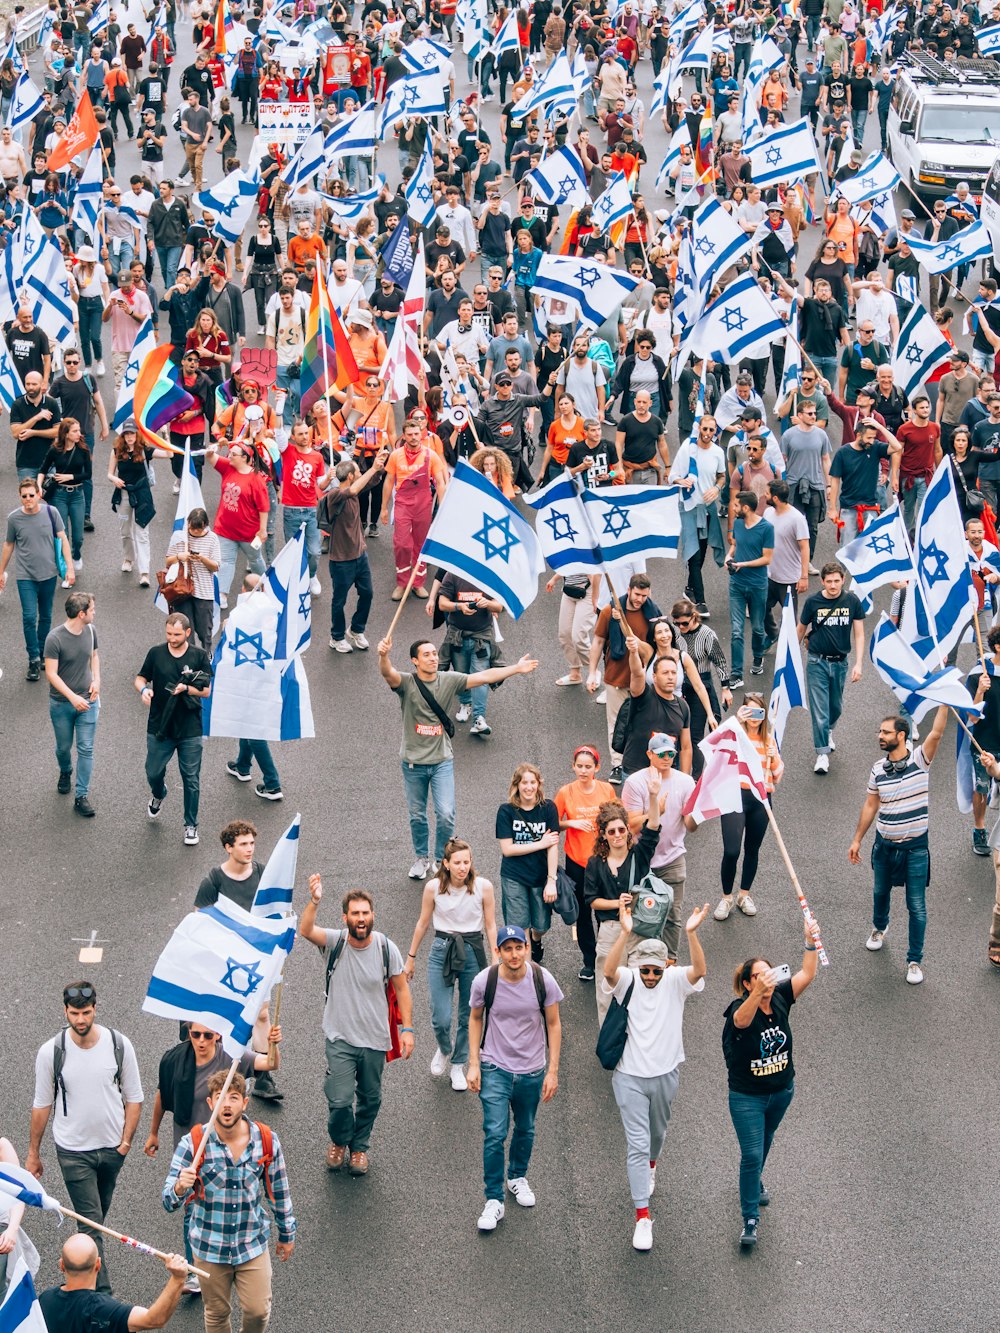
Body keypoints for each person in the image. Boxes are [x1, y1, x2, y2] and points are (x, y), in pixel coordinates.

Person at [377, 633, 539, 880]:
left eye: (434, 653)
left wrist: (515, 669)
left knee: (446, 813)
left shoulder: (448, 679)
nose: (433, 658)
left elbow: (483, 676)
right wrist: (384, 655)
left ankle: (443, 859)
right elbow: (388, 673)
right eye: (426, 655)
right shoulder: (407, 683)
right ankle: (421, 858)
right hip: (413, 763)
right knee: (417, 815)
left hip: (441, 760)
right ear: (414, 661)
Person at [604, 896, 709, 1251]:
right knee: (636, 1143)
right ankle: (643, 1218)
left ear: (666, 965)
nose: (650, 976)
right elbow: (608, 971)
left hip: (665, 1073)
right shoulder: (628, 979)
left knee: (657, 1135)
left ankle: (652, 1165)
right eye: (645, 970)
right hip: (628, 1076)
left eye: (656, 970)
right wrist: (625, 932)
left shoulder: (676, 980)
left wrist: (692, 934)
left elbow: (699, 972)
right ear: (637, 966)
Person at [27, 981, 144, 1294]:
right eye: (75, 1013)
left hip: (112, 1151)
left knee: (96, 1222)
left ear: (96, 1009)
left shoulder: (119, 1045)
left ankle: (77, 1273)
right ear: (65, 1010)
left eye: (86, 1012)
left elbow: (135, 1097)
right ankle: (101, 1299)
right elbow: (42, 1105)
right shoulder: (51, 1052)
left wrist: (125, 1143)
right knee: (91, 1224)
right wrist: (33, 1153)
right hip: (73, 1152)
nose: (81, 1020)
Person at [163, 1071, 294, 1329]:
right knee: (216, 1314)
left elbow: (278, 1190)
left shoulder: (266, 1141)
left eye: (233, 1097)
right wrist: (180, 1186)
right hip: (209, 1247)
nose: (226, 1104)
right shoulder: (193, 1144)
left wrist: (287, 1233)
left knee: (258, 1311)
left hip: (251, 1243)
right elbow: (168, 1200)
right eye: (220, 1097)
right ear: (210, 1104)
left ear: (245, 1103)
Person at [723, 911, 823, 1249]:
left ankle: (753, 1182)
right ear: (749, 983)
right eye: (759, 976)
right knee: (751, 1154)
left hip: (781, 1091)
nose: (767, 979)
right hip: (747, 1097)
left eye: (769, 973)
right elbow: (740, 1021)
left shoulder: (781, 997)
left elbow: (807, 972)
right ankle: (750, 1218)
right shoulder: (741, 1007)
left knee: (765, 1141)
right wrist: (757, 995)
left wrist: (810, 940)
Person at [299, 883, 413, 1177]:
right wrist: (314, 901)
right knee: (339, 1101)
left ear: (373, 915)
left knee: (370, 1097)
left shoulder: (386, 948)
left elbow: (401, 987)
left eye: (365, 913)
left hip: (375, 1039)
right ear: (344, 918)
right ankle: (339, 1142)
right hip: (340, 1037)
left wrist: (408, 1029)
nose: (360, 918)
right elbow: (306, 930)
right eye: (354, 913)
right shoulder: (335, 942)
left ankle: (359, 1147)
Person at [466, 924, 563, 1233]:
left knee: (526, 1128)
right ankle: (493, 1199)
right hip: (495, 1066)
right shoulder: (485, 981)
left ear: (526, 948)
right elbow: (475, 1018)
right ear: (498, 952)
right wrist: (473, 1064)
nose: (513, 954)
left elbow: (554, 1024)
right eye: (507, 948)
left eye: (518, 947)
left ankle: (517, 1176)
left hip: (532, 1070)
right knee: (495, 1133)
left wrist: (553, 1070)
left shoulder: (541, 980)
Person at [848, 707, 949, 986]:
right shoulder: (878, 769)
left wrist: (943, 704)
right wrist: (858, 838)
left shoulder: (920, 760)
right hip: (884, 846)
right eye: (880, 731)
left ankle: (914, 960)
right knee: (880, 891)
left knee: (916, 905)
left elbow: (937, 733)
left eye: (885, 732)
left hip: (915, 849)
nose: (879, 736)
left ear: (901, 735)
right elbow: (871, 804)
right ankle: (880, 927)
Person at [403, 838, 499, 1093]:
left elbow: (490, 925)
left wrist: (496, 958)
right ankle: (445, 1049)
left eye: (466, 862)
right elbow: (423, 923)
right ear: (445, 864)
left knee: (470, 1014)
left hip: (472, 949)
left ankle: (459, 1063)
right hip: (441, 949)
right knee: (440, 1015)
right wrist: (410, 958)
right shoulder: (433, 888)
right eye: (457, 862)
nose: (462, 867)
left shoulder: (483, 887)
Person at [585, 782, 663, 1026]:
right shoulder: (595, 863)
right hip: (610, 932)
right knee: (607, 988)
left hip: (639, 931)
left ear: (628, 831)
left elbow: (653, 827)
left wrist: (653, 796)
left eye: (621, 830)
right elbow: (591, 901)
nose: (617, 835)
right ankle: (610, 1040)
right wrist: (614, 903)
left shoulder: (639, 856)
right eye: (611, 831)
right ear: (604, 835)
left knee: (640, 988)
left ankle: (637, 1036)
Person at [134, 612, 213, 847]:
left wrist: (187, 689)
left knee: (191, 779)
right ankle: (159, 793)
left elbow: (206, 691)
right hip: (160, 725)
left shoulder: (198, 656)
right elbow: (140, 678)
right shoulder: (156, 653)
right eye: (168, 633)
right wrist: (143, 690)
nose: (172, 638)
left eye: (177, 634)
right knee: (153, 771)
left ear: (188, 633)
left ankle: (191, 825)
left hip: (190, 727)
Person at [621, 731, 697, 960]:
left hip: (672, 859)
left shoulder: (684, 782)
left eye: (671, 753)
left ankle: (669, 961)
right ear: (649, 754)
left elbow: (690, 826)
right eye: (661, 753)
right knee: (642, 913)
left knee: (673, 916)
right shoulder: (635, 783)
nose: (667, 758)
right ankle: (642, 962)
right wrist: (655, 812)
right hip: (642, 860)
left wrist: (699, 813)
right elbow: (631, 826)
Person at [708, 697, 783, 922]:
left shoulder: (769, 740)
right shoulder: (734, 736)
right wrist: (735, 721)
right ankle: (726, 897)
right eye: (748, 711)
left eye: (757, 712)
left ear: (764, 714)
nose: (753, 717)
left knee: (752, 849)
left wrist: (773, 757)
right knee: (731, 850)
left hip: (761, 799)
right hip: (734, 795)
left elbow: (777, 775)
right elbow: (714, 745)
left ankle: (744, 895)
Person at [586, 573, 660, 784]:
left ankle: (644, 762)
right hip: (616, 678)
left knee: (644, 722)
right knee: (616, 724)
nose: (640, 599)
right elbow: (598, 641)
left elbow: (657, 647)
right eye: (637, 594)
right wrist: (592, 673)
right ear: (628, 590)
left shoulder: (653, 615)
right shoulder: (610, 611)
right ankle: (617, 764)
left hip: (644, 680)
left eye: (644, 596)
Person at [0, 476, 74, 680]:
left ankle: (42, 653)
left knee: (46, 616)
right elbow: (8, 545)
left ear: (39, 495)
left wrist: (70, 568)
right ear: (19, 497)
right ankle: (33, 658)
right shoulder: (14, 519)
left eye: (31, 495)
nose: (28, 499)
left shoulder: (51, 512)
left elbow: (63, 539)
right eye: (24, 496)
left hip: (48, 574)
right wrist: (1, 571)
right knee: (29, 617)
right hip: (26, 576)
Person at [554, 746, 618, 981]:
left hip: (603, 860)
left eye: (588, 767)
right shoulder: (565, 792)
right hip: (576, 862)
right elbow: (552, 823)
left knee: (605, 910)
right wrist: (571, 823)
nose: (583, 770)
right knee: (582, 913)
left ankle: (605, 957)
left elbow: (617, 818)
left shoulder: (606, 789)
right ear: (573, 766)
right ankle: (589, 961)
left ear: (597, 768)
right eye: (579, 766)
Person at [797, 561, 865, 774]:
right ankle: (822, 754)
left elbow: (860, 633)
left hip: (840, 663)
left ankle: (828, 732)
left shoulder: (852, 601)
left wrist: (859, 663)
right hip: (816, 661)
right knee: (819, 710)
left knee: (836, 707)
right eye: (829, 581)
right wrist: (790, 661)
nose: (833, 585)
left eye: (837, 581)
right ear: (823, 581)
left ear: (843, 580)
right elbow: (800, 630)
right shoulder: (813, 602)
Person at [39, 1236, 189, 1330]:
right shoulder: (103, 1309)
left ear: (61, 1265)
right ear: (98, 1264)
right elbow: (154, 1319)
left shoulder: (45, 1299)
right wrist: (177, 1279)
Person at [496, 763, 560, 964]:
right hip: (514, 876)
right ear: (517, 785)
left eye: (533, 782)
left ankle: (536, 939)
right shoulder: (507, 811)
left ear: (539, 785)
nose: (529, 787)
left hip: (540, 876)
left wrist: (552, 880)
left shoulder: (548, 808)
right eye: (524, 782)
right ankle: (529, 969)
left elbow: (553, 846)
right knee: (519, 925)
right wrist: (539, 843)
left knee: (541, 925)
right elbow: (508, 849)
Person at [43, 589, 100, 818]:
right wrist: (72, 698)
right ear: (81, 614)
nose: (94, 613)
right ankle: (66, 770)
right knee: (63, 748)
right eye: (92, 610)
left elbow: (94, 657)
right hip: (62, 704)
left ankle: (81, 795)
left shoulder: (92, 631)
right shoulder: (54, 639)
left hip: (88, 700)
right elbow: (51, 674)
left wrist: (96, 681)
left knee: (86, 748)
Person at [380, 419, 449, 600]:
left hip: (423, 504)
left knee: (421, 544)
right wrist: (384, 508)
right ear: (404, 436)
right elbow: (388, 481)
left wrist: (442, 507)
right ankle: (402, 583)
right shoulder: (395, 455)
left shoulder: (431, 455)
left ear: (422, 433)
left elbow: (440, 482)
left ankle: (417, 583)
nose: (413, 438)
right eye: (409, 435)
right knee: (402, 544)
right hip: (402, 503)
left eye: (416, 434)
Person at [438, 573, 504, 738]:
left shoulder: (488, 575)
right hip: (457, 635)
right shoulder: (452, 575)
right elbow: (442, 604)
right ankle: (465, 703)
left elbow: (499, 606)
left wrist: (488, 603)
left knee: (481, 676)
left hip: (482, 636)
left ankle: (479, 718)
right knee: (461, 674)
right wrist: (459, 607)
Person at [622, 635, 693, 778]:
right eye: (665, 673)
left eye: (674, 672)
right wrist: (634, 652)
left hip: (666, 775)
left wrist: (685, 780)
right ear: (654, 677)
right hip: (635, 773)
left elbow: (686, 748)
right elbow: (636, 673)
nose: (670, 676)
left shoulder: (683, 706)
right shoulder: (643, 695)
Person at [726, 490, 774, 689]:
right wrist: (729, 557)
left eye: (736, 506)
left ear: (746, 508)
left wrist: (743, 564)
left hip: (757, 585)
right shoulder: (737, 524)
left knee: (757, 627)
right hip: (736, 584)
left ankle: (758, 656)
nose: (733, 508)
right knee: (736, 630)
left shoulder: (766, 528)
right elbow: (735, 546)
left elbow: (767, 558)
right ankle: (736, 673)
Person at [164, 507, 220, 654]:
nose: (195, 532)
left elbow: (215, 566)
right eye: (192, 528)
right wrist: (179, 557)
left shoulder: (212, 538)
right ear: (188, 523)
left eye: (199, 529)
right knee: (186, 630)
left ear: (206, 525)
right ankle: (188, 659)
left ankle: (206, 656)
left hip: (204, 591)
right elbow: (167, 561)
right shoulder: (179, 537)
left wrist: (202, 558)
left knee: (204, 631)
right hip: (181, 590)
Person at [108, 421, 155, 588]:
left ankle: (144, 573)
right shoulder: (117, 451)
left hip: (142, 495)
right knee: (125, 530)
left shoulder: (144, 450)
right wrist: (114, 479)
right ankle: (128, 559)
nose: (129, 437)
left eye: (132, 434)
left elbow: (168, 455)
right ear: (122, 436)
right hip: (124, 495)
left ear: (137, 434)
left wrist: (165, 437)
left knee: (142, 533)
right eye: (126, 434)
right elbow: (109, 473)